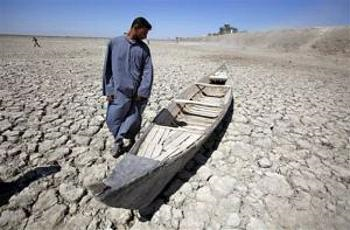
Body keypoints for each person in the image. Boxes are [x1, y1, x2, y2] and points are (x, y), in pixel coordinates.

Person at [102, 17, 153, 157]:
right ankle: (119, 140)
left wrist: (143, 91)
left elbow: (148, 71)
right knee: (112, 118)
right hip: (118, 92)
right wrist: (109, 89)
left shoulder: (144, 49)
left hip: (137, 94)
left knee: (134, 119)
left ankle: (125, 141)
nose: (146, 36)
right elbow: (108, 69)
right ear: (136, 28)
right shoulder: (114, 43)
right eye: (145, 32)